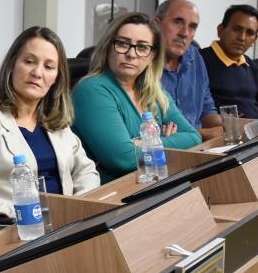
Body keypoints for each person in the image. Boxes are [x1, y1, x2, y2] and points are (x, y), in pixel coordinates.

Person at [0, 27, 100, 216]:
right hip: (10, 226)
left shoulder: (54, 119)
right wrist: (22, 215)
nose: (37, 73)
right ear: (12, 65)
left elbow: (86, 172)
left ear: (56, 78)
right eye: (29, 62)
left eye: (48, 67)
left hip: (65, 223)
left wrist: (76, 208)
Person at [72, 12, 201, 183]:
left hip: (154, 185)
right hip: (116, 193)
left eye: (142, 47)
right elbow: (124, 159)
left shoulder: (155, 91)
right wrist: (165, 141)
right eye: (123, 44)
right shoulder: (92, 90)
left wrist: (144, 143)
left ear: (152, 55)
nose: (131, 54)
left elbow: (193, 137)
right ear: (108, 47)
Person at [155, 0, 223, 140]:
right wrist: (204, 133)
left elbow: (207, 109)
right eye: (178, 22)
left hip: (199, 145)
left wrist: (227, 130)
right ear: (157, 24)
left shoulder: (195, 56)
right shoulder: (140, 63)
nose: (184, 33)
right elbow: (150, 130)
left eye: (192, 26)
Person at [200, 4, 258, 119]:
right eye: (236, 29)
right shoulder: (199, 61)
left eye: (250, 33)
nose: (242, 38)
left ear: (255, 40)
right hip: (223, 128)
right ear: (220, 30)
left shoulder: (252, 66)